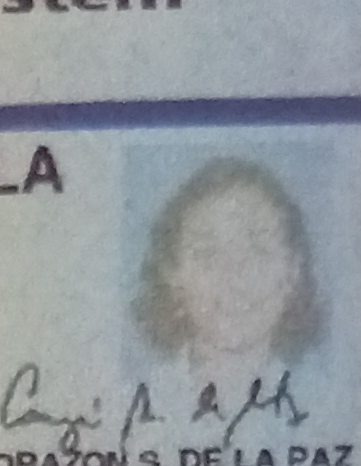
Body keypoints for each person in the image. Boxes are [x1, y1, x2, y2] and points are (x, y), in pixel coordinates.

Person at [128, 155, 323, 387]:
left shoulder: (323, 395)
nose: (234, 275)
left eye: (258, 250)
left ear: (292, 270)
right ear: (172, 272)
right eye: (208, 253)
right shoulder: (135, 395)